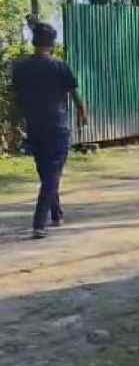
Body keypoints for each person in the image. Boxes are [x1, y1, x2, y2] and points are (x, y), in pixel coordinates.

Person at [11, 21, 88, 239]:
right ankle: (39, 222)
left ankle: (56, 213)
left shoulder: (20, 67)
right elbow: (74, 94)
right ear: (52, 43)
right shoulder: (59, 66)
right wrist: (83, 114)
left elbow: (17, 99)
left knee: (46, 172)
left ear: (34, 41)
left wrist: (19, 125)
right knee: (52, 175)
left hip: (35, 127)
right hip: (57, 126)